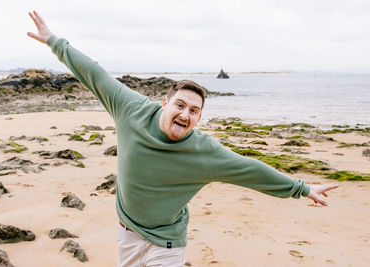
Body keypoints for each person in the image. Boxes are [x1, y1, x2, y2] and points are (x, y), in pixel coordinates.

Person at [27, 10, 338, 267]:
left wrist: (303, 188)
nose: (186, 114)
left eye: (194, 110)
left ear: (199, 117)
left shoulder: (204, 151)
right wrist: (55, 42)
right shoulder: (130, 109)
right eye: (180, 105)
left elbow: (250, 169)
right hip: (126, 234)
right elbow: (95, 74)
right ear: (165, 103)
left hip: (167, 242)